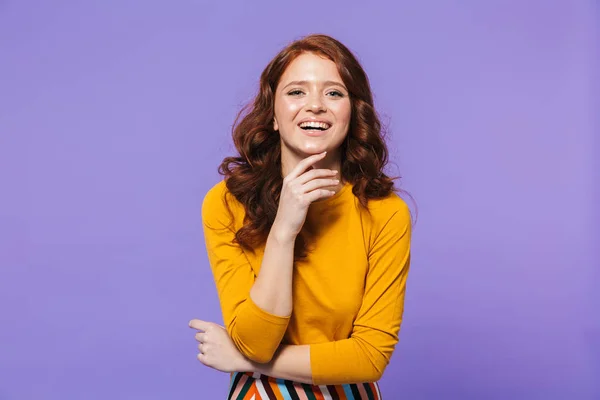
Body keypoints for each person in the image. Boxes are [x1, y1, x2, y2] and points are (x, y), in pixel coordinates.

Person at [189, 34, 412, 399]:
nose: (315, 106)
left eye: (333, 93)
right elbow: (256, 341)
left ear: (353, 113)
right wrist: (283, 230)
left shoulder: (385, 213)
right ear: (273, 115)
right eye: (296, 92)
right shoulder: (227, 203)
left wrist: (246, 361)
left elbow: (370, 357)